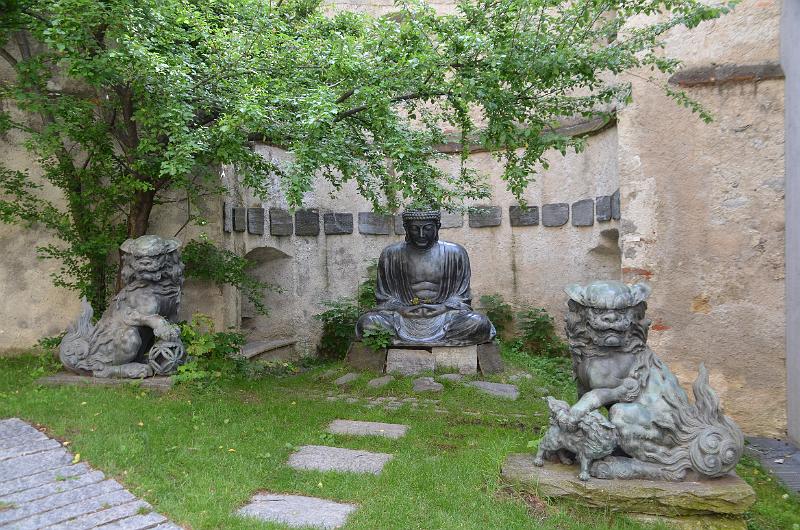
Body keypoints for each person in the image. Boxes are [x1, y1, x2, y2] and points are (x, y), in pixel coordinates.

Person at [355, 209, 496, 346]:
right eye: (415, 229)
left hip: (444, 316)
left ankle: (412, 340)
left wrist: (443, 308)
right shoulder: (391, 254)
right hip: (403, 317)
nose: (421, 234)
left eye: (428, 228)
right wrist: (401, 309)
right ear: (406, 228)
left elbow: (461, 296)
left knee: (479, 322)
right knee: (367, 322)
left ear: (437, 227)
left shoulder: (455, 253)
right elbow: (384, 297)